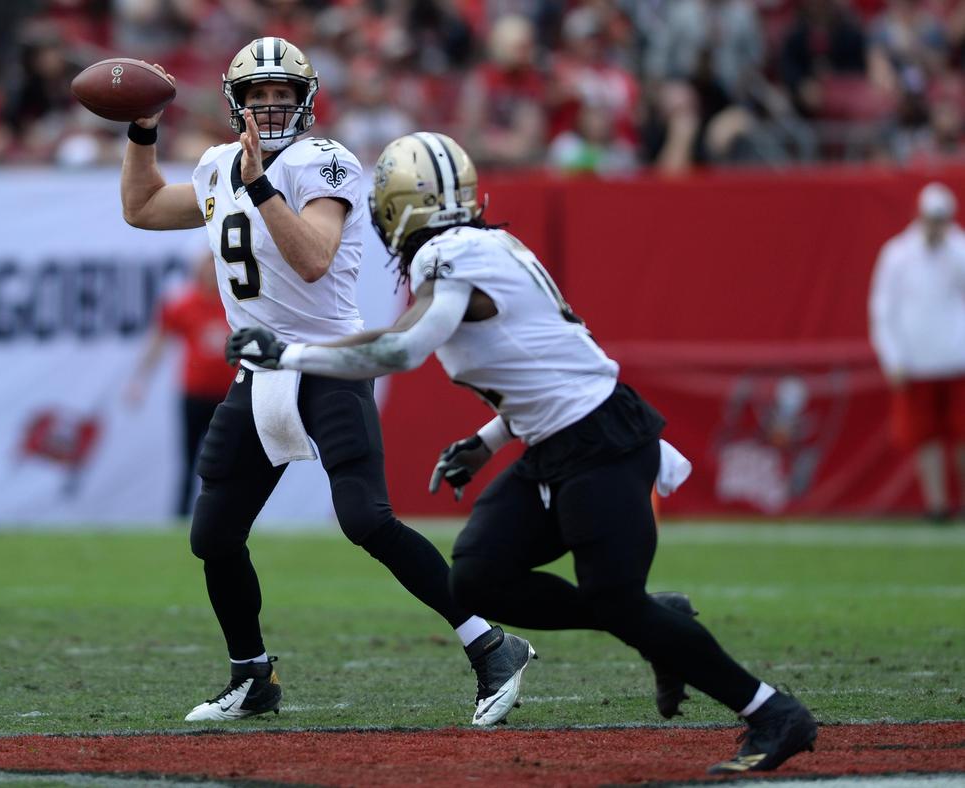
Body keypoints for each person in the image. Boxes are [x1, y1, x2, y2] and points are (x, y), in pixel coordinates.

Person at [226, 132, 819, 775]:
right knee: (478, 577)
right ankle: (660, 625)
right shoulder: (488, 245)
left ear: (395, 208)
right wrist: (487, 441)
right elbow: (541, 362)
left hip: (600, 444)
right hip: (560, 441)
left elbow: (402, 350)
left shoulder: (450, 256)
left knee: (617, 601)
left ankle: (772, 711)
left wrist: (290, 354)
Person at [118, 37, 533, 726]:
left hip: (328, 359)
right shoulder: (220, 165)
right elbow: (142, 208)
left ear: (306, 102)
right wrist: (141, 128)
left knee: (365, 519)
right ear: (236, 103)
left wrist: (259, 185)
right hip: (260, 371)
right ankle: (252, 676)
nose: (271, 107)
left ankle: (490, 645)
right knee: (214, 535)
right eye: (259, 95)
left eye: (283, 95)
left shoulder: (324, 161)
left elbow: (312, 258)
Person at [869, 182, 965, 522]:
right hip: (917, 362)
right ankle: (936, 504)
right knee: (926, 439)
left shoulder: (959, 250)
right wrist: (892, 358)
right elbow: (882, 310)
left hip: (957, 359)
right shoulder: (897, 254)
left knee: (960, 436)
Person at [127, 251, 232, 517]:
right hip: (194, 394)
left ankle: (225, 518)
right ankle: (181, 518)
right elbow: (158, 343)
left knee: (227, 461)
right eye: (206, 267)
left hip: (229, 397)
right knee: (189, 461)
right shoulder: (183, 304)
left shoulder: (235, 303)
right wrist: (139, 380)